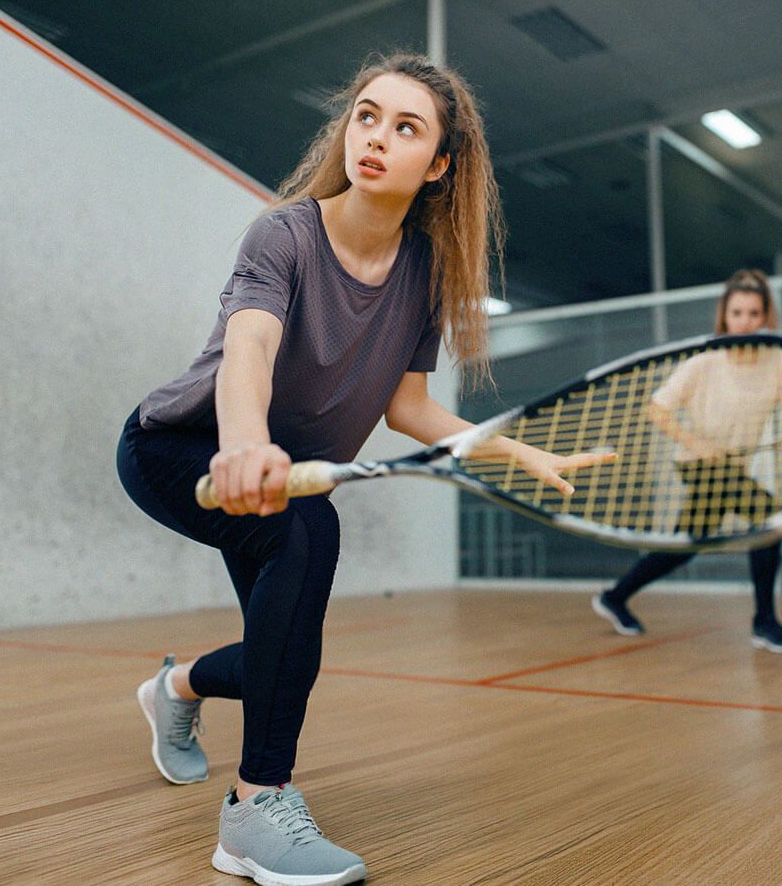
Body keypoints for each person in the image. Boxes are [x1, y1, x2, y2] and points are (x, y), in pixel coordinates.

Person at [118, 52, 609, 886]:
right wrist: (245, 442)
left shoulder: (425, 276)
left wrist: (513, 446)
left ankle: (179, 688)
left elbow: (407, 408)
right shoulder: (284, 235)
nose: (375, 137)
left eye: (406, 127)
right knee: (309, 534)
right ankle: (252, 810)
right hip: (180, 449)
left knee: (289, 643)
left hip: (280, 474)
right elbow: (251, 349)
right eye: (367, 116)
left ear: (441, 166)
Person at [591, 269, 782, 652]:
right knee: (768, 518)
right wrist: (697, 442)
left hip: (730, 467)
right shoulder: (704, 362)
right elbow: (657, 410)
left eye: (754, 313)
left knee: (685, 544)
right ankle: (764, 622)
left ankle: (615, 596)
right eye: (737, 312)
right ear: (724, 315)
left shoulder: (778, 362)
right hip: (697, 464)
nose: (745, 321)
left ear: (766, 317)